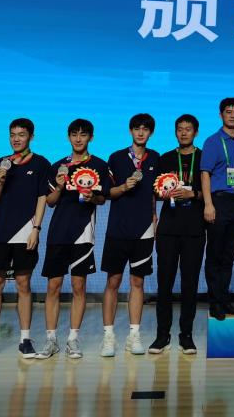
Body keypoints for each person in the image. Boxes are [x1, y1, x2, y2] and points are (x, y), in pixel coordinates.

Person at [36, 119, 110, 360]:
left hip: (83, 234)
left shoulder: (100, 165)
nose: (78, 139)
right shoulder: (58, 166)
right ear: (68, 137)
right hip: (58, 233)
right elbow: (50, 202)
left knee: (79, 286)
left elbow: (102, 198)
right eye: (74, 134)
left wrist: (92, 198)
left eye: (83, 134)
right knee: (53, 287)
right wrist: (58, 186)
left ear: (91, 138)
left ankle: (72, 339)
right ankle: (51, 340)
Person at [0, 118, 50, 360]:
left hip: (26, 232)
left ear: (31, 136)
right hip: (0, 233)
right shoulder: (1, 163)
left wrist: (36, 229)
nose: (16, 139)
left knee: (23, 285)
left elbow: (42, 198)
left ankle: (25, 340)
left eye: (21, 134)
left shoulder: (41, 163)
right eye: (13, 134)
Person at [101, 113, 159, 357]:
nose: (141, 132)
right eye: (137, 128)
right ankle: (108, 336)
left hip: (144, 230)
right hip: (118, 229)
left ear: (150, 133)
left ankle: (134, 335)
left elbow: (155, 192)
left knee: (138, 282)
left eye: (145, 129)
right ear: (130, 131)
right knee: (113, 282)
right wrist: (124, 187)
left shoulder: (155, 158)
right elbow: (107, 193)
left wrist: (154, 215)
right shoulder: (115, 158)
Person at [150, 114, 205, 354]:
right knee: (164, 283)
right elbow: (154, 191)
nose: (184, 133)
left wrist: (194, 194)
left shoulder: (203, 157)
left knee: (190, 284)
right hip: (168, 230)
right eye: (180, 129)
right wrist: (162, 195)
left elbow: (211, 191)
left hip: (195, 230)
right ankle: (162, 335)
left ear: (196, 132)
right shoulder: (165, 159)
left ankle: (186, 335)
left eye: (188, 129)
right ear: (175, 132)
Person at [201, 97, 234, 320]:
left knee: (229, 255)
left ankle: (224, 299)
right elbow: (205, 174)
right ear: (221, 115)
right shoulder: (212, 141)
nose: (232, 115)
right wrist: (208, 204)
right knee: (215, 254)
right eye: (228, 112)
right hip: (218, 201)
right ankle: (214, 303)